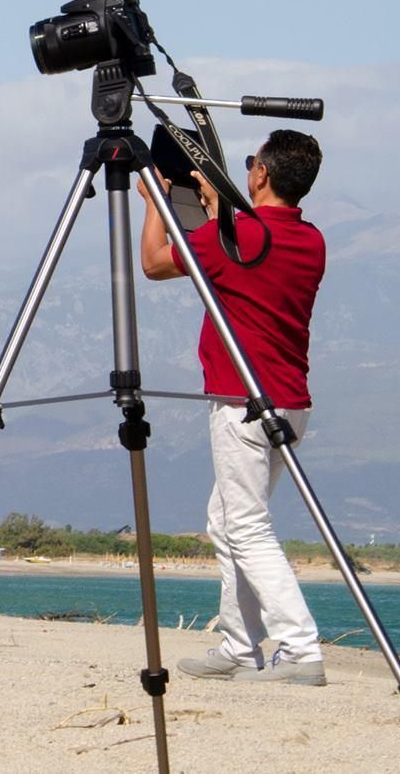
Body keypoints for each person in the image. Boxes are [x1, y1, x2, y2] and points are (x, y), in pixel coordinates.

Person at [138, 129, 328, 687]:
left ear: (262, 174)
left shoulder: (237, 236)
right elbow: (253, 254)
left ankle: (300, 649)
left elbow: (153, 263)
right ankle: (240, 646)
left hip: (242, 401)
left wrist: (156, 201)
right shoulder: (311, 240)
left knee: (246, 527)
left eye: (250, 163)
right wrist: (223, 214)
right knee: (225, 521)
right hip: (289, 403)